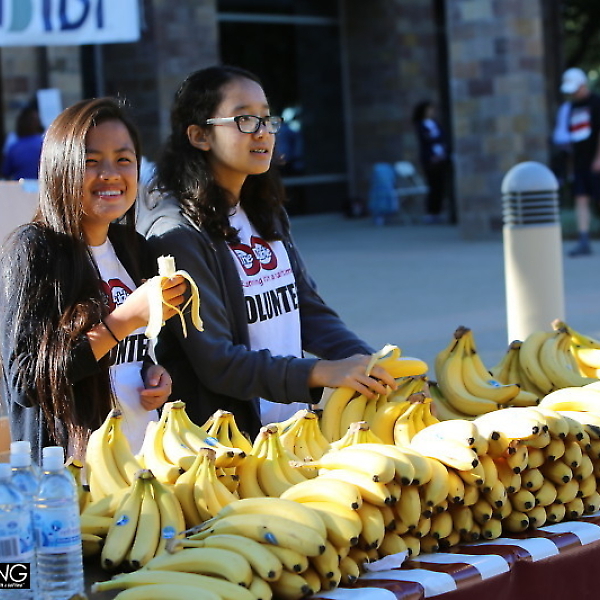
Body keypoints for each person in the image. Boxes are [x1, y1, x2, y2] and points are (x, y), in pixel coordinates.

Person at [137, 65, 396, 436]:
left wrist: (370, 363)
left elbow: (306, 309)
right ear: (199, 135)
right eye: (244, 119)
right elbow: (218, 363)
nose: (262, 132)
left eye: (267, 118)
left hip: (292, 430)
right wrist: (319, 372)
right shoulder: (177, 236)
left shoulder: (265, 211)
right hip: (225, 443)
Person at [0, 97, 189, 463]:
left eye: (124, 159)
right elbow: (25, 382)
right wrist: (123, 321)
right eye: (91, 161)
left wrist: (153, 373)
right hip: (75, 475)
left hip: (145, 463)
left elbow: (128, 357)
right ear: (60, 169)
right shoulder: (34, 249)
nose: (110, 173)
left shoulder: (134, 247)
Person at [559, 67, 600, 257]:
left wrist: (598, 158)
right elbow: (571, 138)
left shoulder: (596, 103)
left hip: (595, 160)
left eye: (575, 89)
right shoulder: (571, 107)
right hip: (580, 162)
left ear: (583, 85)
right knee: (580, 198)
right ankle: (584, 240)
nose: (573, 93)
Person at [411, 100, 450, 224]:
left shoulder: (436, 123)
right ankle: (431, 212)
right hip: (430, 160)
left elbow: (443, 137)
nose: (432, 112)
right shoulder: (420, 125)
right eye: (429, 109)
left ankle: (437, 211)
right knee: (433, 186)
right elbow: (427, 140)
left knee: (441, 186)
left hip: (441, 158)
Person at [2, 103, 45, 180]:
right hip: (41, 185)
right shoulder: (44, 144)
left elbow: (5, 173)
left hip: (20, 185)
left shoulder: (13, 148)